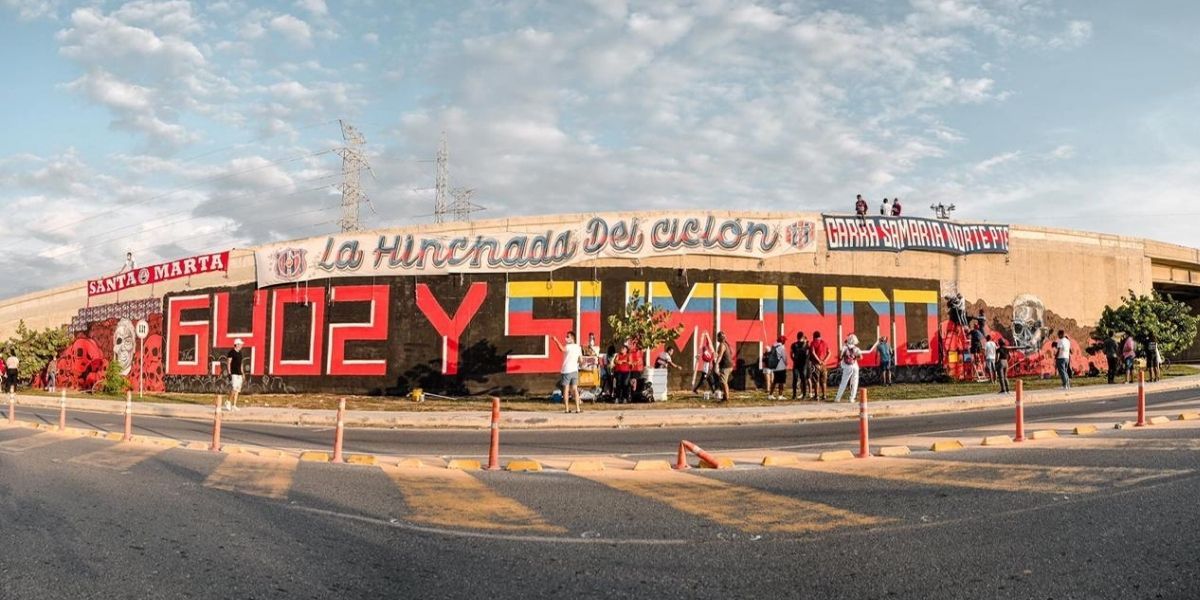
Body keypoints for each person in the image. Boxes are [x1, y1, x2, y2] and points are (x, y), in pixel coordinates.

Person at [833, 334, 879, 403]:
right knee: (855, 382)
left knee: (843, 382)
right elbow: (861, 357)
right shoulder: (856, 349)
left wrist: (846, 357)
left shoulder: (844, 348)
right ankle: (852, 398)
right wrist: (854, 357)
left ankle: (838, 398)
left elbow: (840, 357)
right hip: (855, 366)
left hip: (847, 367)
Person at [553, 331, 583, 413]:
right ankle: (578, 408)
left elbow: (561, 349)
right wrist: (579, 364)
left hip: (566, 370)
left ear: (572, 338)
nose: (566, 338)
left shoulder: (568, 347)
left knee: (566, 389)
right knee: (575, 389)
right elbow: (581, 360)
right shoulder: (578, 347)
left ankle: (566, 409)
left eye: (568, 337)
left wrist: (556, 341)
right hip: (574, 370)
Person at [222, 338, 247, 410]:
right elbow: (228, 363)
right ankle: (228, 401)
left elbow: (241, 364)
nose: (241, 345)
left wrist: (243, 373)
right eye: (240, 344)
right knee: (234, 388)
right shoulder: (231, 352)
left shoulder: (240, 353)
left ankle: (234, 405)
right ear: (237, 344)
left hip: (239, 374)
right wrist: (229, 373)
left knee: (238, 390)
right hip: (234, 373)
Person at [810, 331, 830, 401]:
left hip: (816, 364)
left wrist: (818, 361)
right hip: (824, 365)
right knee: (824, 381)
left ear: (814, 336)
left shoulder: (813, 343)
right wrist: (824, 361)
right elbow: (829, 353)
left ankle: (817, 396)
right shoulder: (824, 343)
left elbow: (813, 352)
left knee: (816, 381)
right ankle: (824, 395)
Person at [790, 332, 810, 400]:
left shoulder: (793, 345)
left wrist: (794, 360)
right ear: (803, 337)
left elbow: (791, 354)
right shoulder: (806, 345)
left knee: (795, 379)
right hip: (803, 364)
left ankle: (794, 395)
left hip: (796, 364)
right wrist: (806, 362)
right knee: (803, 379)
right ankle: (804, 395)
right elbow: (808, 355)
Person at [714, 331, 734, 401]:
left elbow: (720, 356)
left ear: (720, 338)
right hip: (729, 365)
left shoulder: (722, 345)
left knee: (723, 382)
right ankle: (725, 396)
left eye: (717, 337)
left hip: (726, 366)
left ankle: (726, 398)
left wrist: (716, 365)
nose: (717, 338)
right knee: (723, 381)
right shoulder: (725, 344)